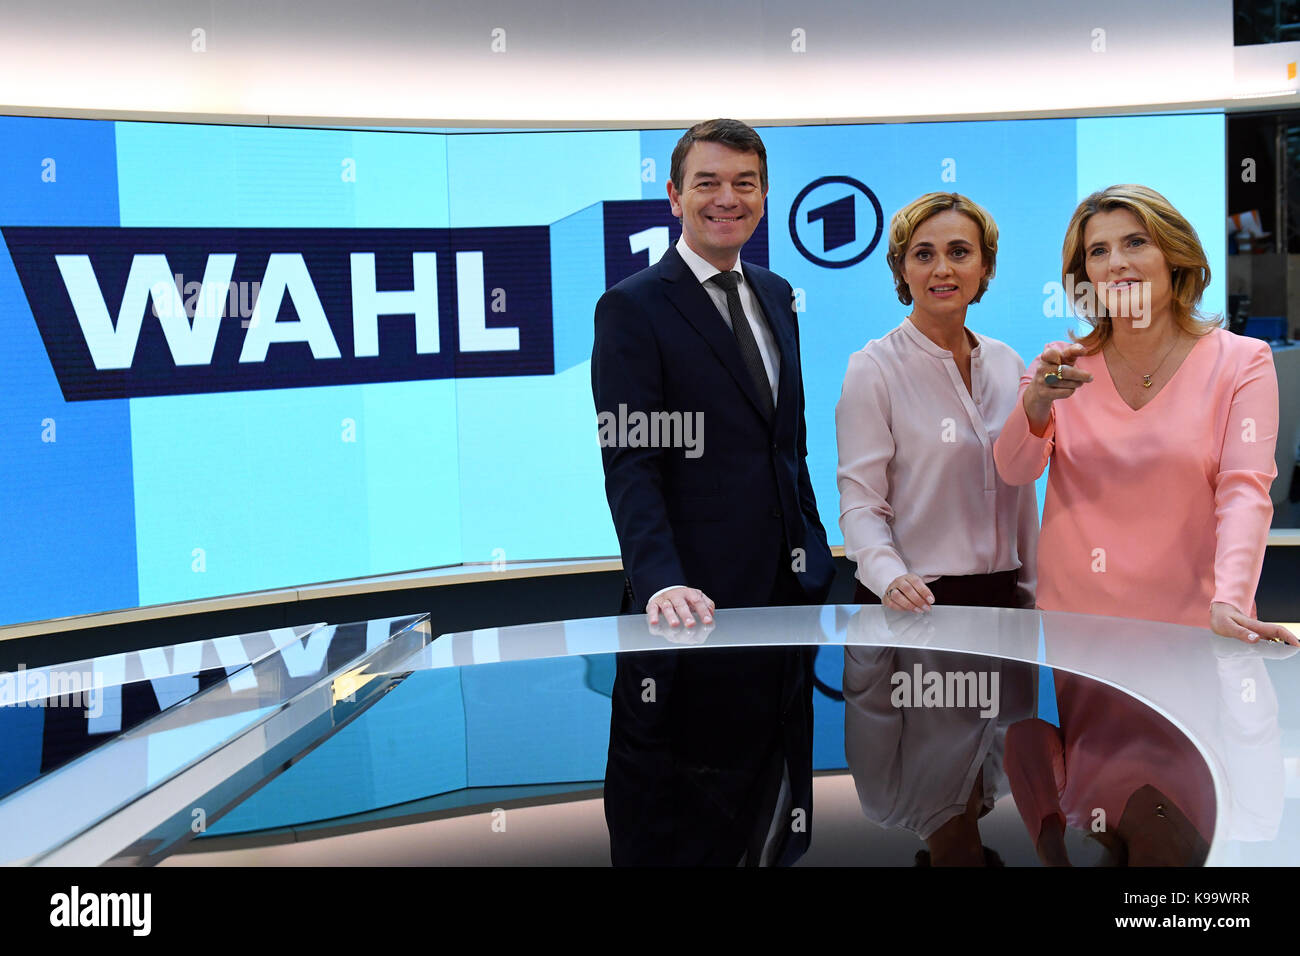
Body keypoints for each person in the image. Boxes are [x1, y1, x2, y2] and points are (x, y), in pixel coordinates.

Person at [590, 118, 835, 865]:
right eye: (708, 183)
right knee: (684, 825)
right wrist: (661, 581)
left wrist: (816, 556)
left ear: (764, 196)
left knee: (777, 809)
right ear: (673, 196)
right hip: (693, 617)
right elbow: (632, 461)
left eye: (745, 183)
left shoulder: (776, 292)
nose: (727, 198)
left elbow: (785, 447)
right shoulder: (633, 307)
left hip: (784, 607)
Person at [993, 183, 1297, 645]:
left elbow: (1244, 491)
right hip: (1078, 626)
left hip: (1201, 620)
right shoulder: (1058, 368)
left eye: (1136, 242)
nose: (1116, 262)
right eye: (1099, 251)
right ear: (1086, 275)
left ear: (1175, 255)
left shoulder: (1243, 361)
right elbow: (1014, 470)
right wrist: (1036, 400)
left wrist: (1231, 598)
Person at [836, 192, 1038, 614]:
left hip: (1003, 603)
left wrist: (1035, 595)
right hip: (909, 601)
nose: (942, 269)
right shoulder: (872, 368)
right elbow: (860, 502)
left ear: (985, 267)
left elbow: (1022, 499)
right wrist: (889, 578)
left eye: (959, 252)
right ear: (902, 270)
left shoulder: (1008, 362)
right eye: (923, 254)